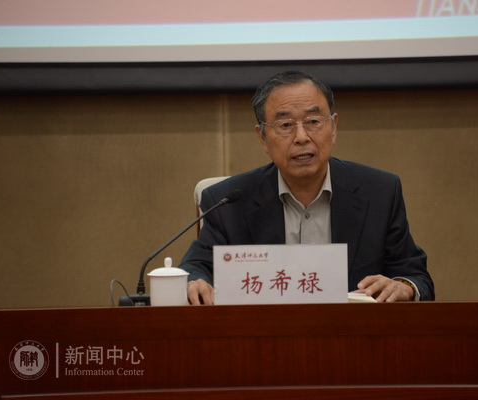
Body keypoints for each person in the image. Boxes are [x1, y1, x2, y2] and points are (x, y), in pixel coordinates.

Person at [179, 70, 434, 305]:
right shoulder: (227, 202)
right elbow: (196, 268)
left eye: (313, 121)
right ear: (262, 137)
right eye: (286, 125)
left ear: (333, 127)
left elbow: (415, 276)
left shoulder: (379, 192)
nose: (302, 137)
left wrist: (403, 287)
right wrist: (195, 282)